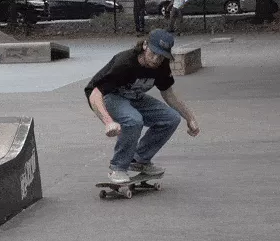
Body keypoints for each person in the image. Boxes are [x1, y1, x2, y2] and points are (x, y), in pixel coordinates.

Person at [84, 29, 200, 184]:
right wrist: (108, 122)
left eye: (161, 56)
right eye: (153, 53)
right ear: (145, 45)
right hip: (109, 96)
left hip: (134, 96)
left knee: (171, 118)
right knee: (133, 120)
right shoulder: (125, 63)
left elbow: (169, 94)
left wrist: (190, 118)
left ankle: (139, 160)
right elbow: (95, 94)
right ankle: (118, 167)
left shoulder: (161, 65)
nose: (156, 59)